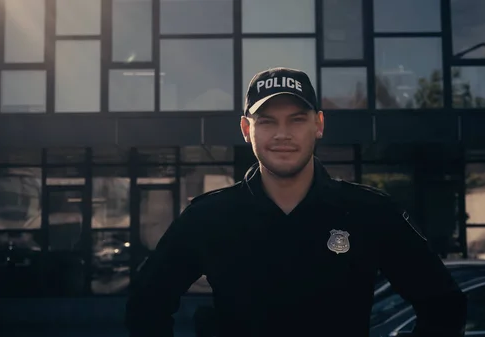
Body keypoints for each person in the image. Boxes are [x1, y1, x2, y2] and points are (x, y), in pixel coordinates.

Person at [125, 67, 467, 337]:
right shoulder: (210, 217)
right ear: (246, 129)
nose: (282, 134)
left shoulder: (369, 212)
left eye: (297, 119)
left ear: (318, 124)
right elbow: (146, 303)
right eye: (267, 121)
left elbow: (444, 305)